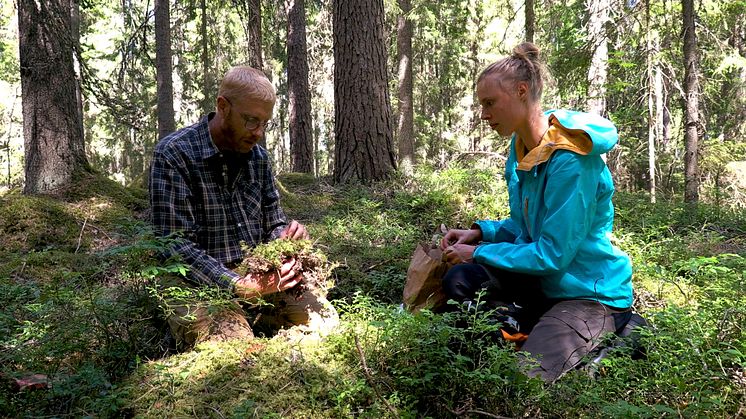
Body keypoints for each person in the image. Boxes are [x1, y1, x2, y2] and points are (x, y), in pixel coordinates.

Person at [439, 42, 634, 382]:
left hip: (587, 293)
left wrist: (480, 251)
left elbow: (553, 253)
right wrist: (481, 232)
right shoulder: (521, 150)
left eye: (490, 103)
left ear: (521, 91)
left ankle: (623, 335)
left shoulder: (570, 161)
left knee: (526, 378)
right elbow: (524, 225)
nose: (483, 114)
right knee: (460, 280)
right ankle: (527, 332)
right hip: (544, 284)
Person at [149, 66, 338, 347]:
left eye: (265, 123)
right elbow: (175, 247)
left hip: (255, 274)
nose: (259, 133)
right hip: (194, 283)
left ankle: (263, 324)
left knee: (325, 322)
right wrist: (238, 286)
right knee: (233, 345)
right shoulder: (175, 154)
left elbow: (272, 221)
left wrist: (285, 238)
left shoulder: (258, 158)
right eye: (251, 121)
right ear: (223, 107)